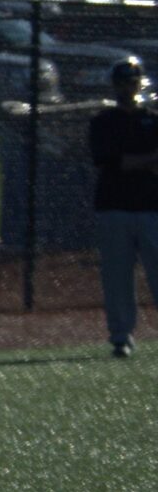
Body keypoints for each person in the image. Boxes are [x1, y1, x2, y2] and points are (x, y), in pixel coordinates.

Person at [88, 56, 158, 359]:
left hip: (152, 207)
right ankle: (121, 335)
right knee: (117, 277)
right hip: (114, 207)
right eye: (122, 82)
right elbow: (111, 162)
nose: (128, 87)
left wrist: (136, 162)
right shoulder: (104, 122)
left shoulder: (153, 120)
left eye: (133, 81)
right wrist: (146, 161)